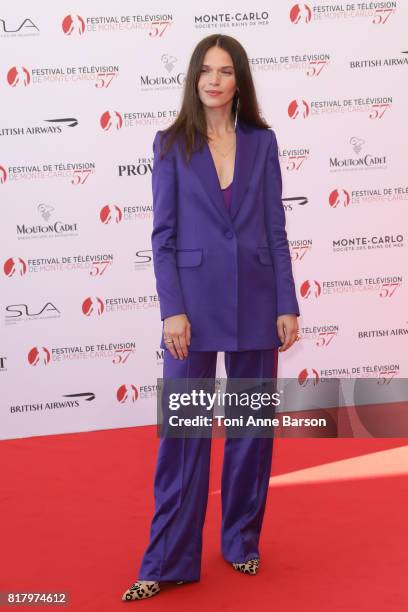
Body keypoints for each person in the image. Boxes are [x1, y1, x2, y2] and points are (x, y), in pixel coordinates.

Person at [122, 33, 300, 601]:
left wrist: (286, 302)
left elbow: (275, 228)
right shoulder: (171, 143)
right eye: (206, 70)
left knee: (251, 430)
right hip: (192, 312)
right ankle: (169, 557)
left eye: (226, 71)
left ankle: (241, 541)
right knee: (184, 433)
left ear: (239, 80)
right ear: (194, 79)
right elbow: (164, 236)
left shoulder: (262, 142)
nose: (215, 80)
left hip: (256, 300)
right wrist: (171, 310)